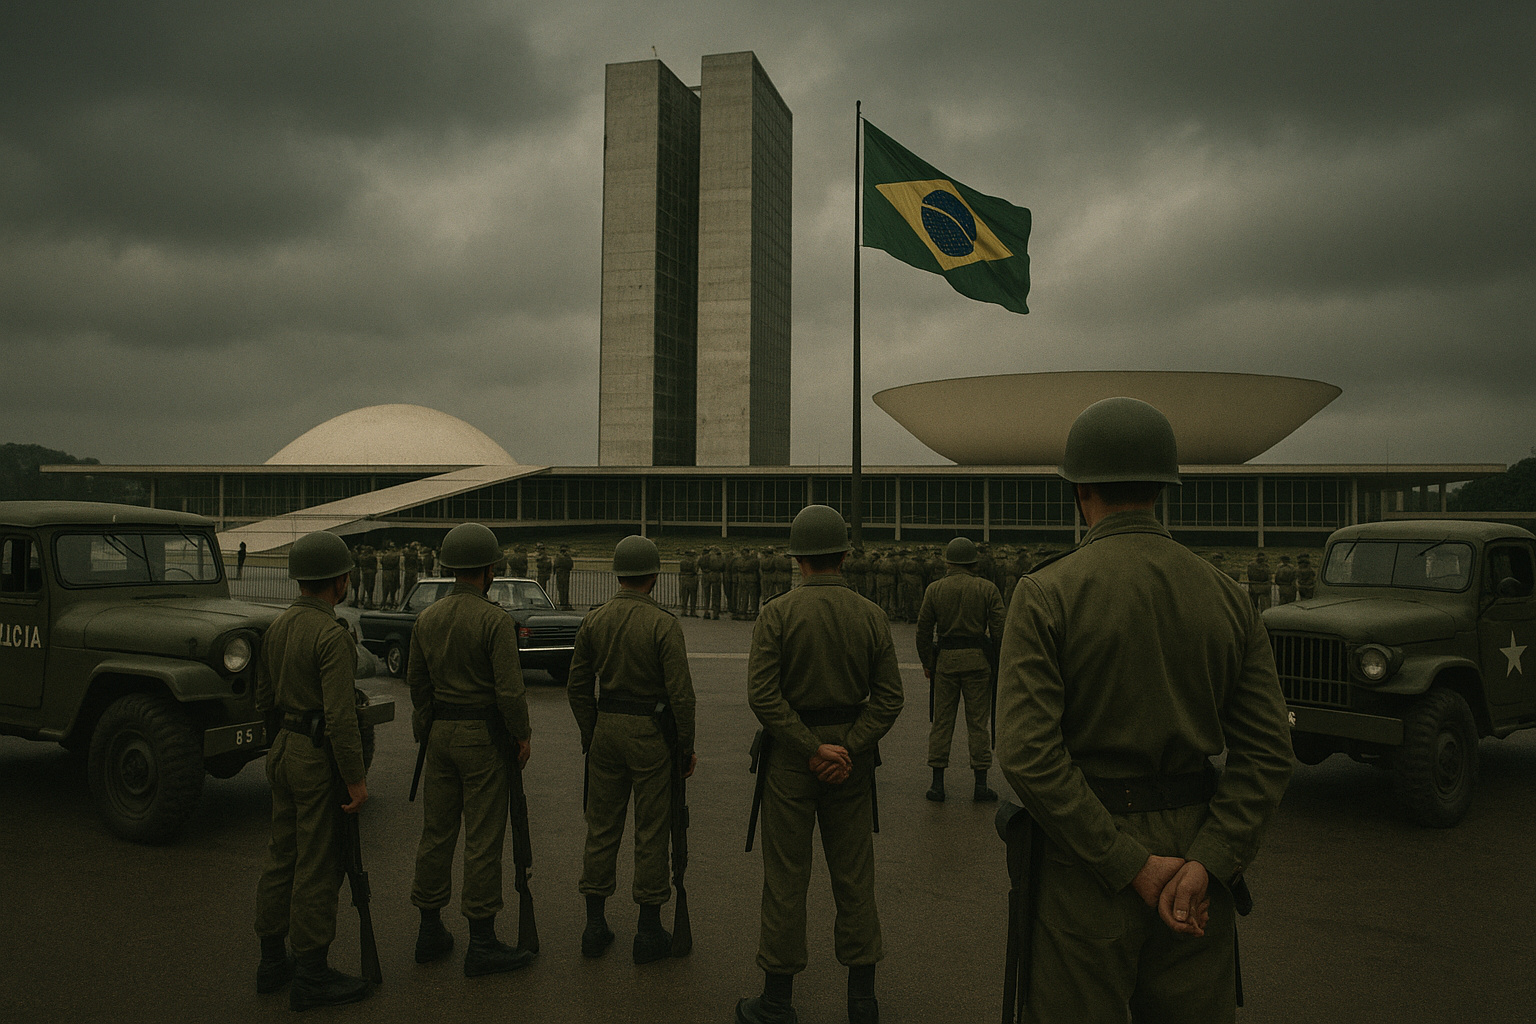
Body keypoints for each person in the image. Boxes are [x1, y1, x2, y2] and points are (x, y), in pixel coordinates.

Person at [995, 397, 1294, 1023]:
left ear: (1080, 490)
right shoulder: (1225, 595)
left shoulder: (1047, 593)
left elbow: (1027, 752)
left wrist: (1129, 865)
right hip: (1197, 858)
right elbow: (1267, 752)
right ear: (1164, 487)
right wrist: (1210, 860)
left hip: (1087, 859)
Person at [736, 505, 903, 1024]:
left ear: (798, 559)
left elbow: (763, 695)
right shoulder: (870, 614)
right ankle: (862, 1001)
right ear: (844, 556)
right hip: (850, 762)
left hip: (791, 758)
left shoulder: (777, 613)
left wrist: (810, 747)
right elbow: (890, 697)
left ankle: (779, 999)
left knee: (787, 877)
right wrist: (847, 746)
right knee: (854, 875)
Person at [408, 522, 536, 977]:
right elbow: (509, 691)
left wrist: (425, 728)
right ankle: (481, 941)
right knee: (483, 838)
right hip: (482, 738)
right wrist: (521, 735)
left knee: (436, 832)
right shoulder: (494, 620)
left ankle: (429, 929)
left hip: (439, 734)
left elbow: (417, 684)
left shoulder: (427, 618)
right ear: (488, 570)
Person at [252, 530, 372, 1011]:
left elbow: (263, 698)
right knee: (318, 863)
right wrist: (356, 779)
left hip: (283, 747)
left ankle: (270, 960)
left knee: (282, 855)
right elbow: (342, 718)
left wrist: (279, 742)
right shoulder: (331, 635)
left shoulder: (277, 628)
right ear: (339, 581)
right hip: (315, 755)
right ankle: (312, 971)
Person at [567, 536, 697, 963]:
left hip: (606, 729)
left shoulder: (595, 619)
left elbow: (577, 686)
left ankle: (593, 926)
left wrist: (592, 731)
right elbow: (681, 696)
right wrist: (684, 748)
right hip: (651, 734)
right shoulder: (663, 623)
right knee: (651, 830)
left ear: (617, 574)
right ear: (654, 576)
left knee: (601, 827)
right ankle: (647, 930)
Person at [916, 537, 1006, 803]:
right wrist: (998, 663)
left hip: (945, 662)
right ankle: (980, 784)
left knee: (942, 722)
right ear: (973, 563)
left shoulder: (935, 589)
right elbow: (1000, 629)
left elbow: (922, 631)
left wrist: (928, 662)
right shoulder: (987, 589)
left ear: (948, 562)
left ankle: (937, 784)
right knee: (978, 723)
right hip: (979, 662)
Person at [678, 549, 699, 617]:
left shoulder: (682, 562)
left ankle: (684, 610)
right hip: (692, 579)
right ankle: (692, 611)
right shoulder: (694, 562)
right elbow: (695, 570)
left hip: (684, 579)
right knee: (693, 596)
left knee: (684, 596)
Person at [554, 544, 574, 610]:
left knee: (561, 589)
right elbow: (571, 565)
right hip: (565, 574)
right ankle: (565, 603)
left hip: (560, 575)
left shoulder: (558, 557)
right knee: (565, 589)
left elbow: (555, 565)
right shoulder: (568, 558)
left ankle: (563, 602)